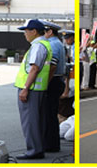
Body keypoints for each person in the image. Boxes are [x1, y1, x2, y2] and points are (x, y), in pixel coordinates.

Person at [14, 19, 53, 160]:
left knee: (30, 121)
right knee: (37, 120)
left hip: (31, 89)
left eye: (26, 31)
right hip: (37, 88)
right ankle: (38, 148)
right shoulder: (44, 44)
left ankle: (33, 150)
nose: (25, 34)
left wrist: (25, 89)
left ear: (34, 31)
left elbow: (34, 68)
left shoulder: (38, 46)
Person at [41, 21, 66, 153]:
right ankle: (52, 143)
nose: (43, 34)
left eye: (44, 31)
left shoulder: (53, 44)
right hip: (58, 80)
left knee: (48, 114)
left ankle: (50, 144)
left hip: (53, 80)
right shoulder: (59, 43)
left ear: (50, 32)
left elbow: (53, 65)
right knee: (51, 114)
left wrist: (45, 82)